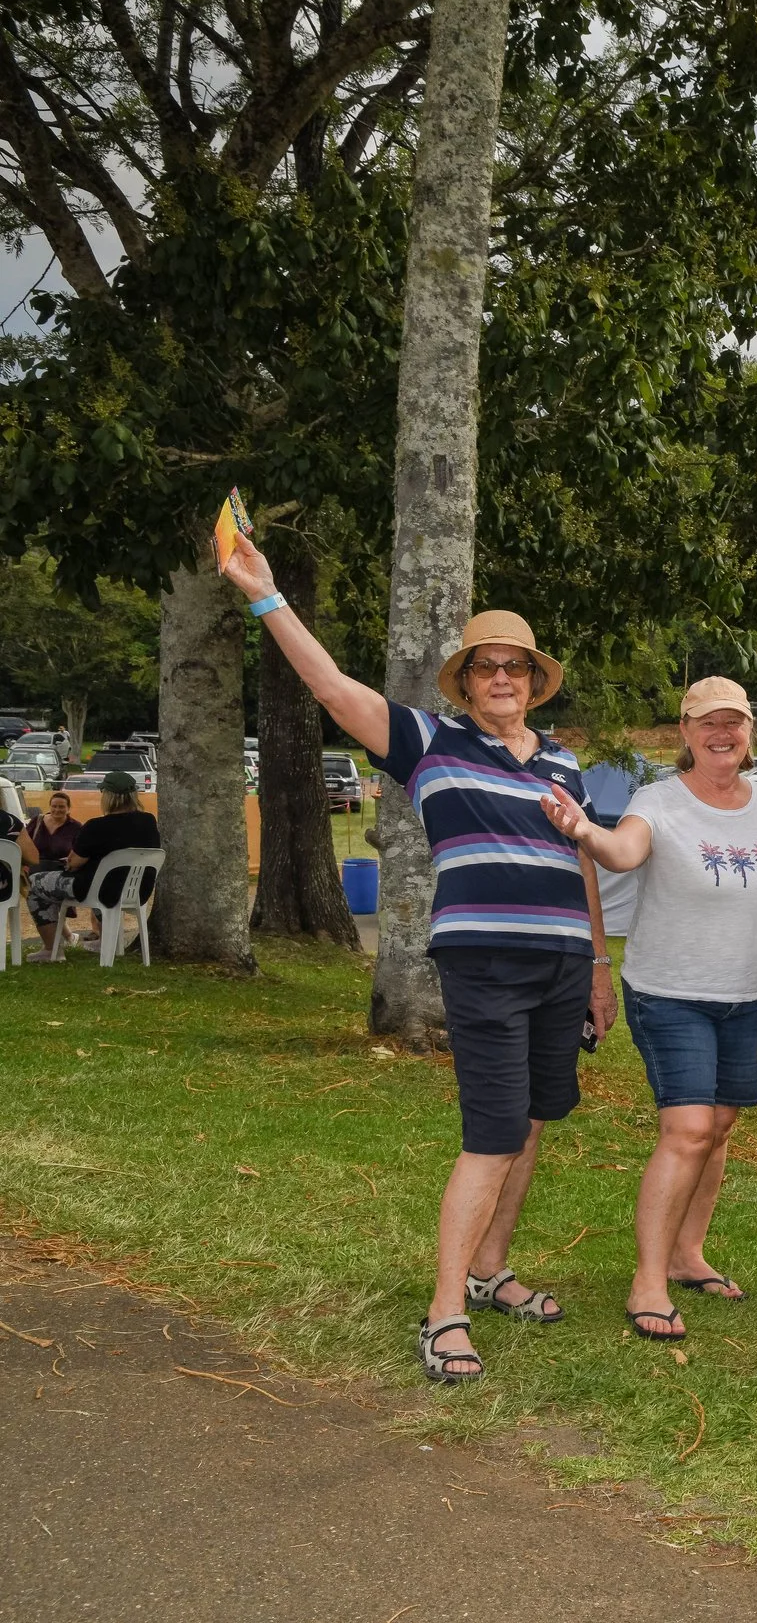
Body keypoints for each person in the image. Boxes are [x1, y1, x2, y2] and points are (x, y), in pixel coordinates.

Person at [218, 535, 611, 1385]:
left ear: (533, 680)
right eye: (485, 666)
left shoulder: (563, 761)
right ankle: (444, 1313)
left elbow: (581, 860)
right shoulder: (429, 740)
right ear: (464, 681)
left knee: (534, 1120)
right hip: (486, 966)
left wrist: (598, 967)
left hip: (564, 966)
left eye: (514, 666)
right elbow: (331, 687)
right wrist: (265, 595)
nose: (500, 678)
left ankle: (490, 1269)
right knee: (493, 1134)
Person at [540, 678, 757, 1341]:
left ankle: (688, 1253)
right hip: (670, 993)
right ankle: (648, 1281)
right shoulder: (658, 800)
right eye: (707, 722)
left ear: (750, 732)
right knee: (687, 1129)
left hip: (747, 997)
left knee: (718, 1127)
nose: (722, 734)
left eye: (734, 722)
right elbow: (624, 850)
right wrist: (585, 831)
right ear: (685, 732)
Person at [28, 770, 164, 956]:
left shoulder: (96, 826)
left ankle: (52, 949)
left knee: (35, 883)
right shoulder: (148, 821)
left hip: (99, 890)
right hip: (138, 890)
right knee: (104, 878)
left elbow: (74, 863)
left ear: (107, 796)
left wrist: (73, 862)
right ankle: (106, 942)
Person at [21, 788, 82, 955]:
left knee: (52, 904)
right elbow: (25, 843)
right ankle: (64, 940)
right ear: (49, 806)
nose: (57, 810)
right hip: (35, 868)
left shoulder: (76, 827)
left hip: (60, 871)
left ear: (68, 808)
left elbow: (79, 851)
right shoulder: (38, 821)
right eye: (54, 806)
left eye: (61, 806)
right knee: (46, 903)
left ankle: (59, 944)